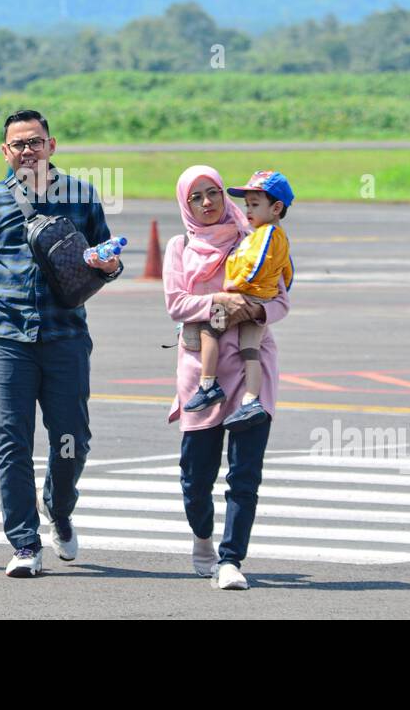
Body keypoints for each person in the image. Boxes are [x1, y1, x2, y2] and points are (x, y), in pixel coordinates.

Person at [0, 109, 122, 578]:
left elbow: (106, 256)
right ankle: (24, 543)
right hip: (5, 337)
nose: (28, 150)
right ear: (5, 152)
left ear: (51, 145)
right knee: (12, 441)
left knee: (72, 440)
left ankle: (60, 506)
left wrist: (109, 265)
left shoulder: (80, 196)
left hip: (65, 336)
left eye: (36, 141)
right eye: (19, 144)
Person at [163, 165, 291, 590]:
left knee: (244, 473)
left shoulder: (254, 236)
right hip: (202, 371)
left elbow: (280, 301)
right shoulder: (179, 247)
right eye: (196, 196)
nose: (207, 203)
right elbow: (177, 304)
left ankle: (231, 559)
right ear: (186, 203)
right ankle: (203, 539)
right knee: (195, 477)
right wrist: (220, 300)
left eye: (213, 192)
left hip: (253, 367)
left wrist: (252, 310)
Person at [182, 170, 294, 432]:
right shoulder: (184, 246)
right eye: (247, 205)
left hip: (246, 296)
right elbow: (287, 272)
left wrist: (237, 287)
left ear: (276, 207)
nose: (248, 210)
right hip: (257, 298)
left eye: (254, 205)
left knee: (209, 328)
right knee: (250, 351)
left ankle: (208, 385)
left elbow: (260, 266)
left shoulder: (261, 235)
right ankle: (251, 400)